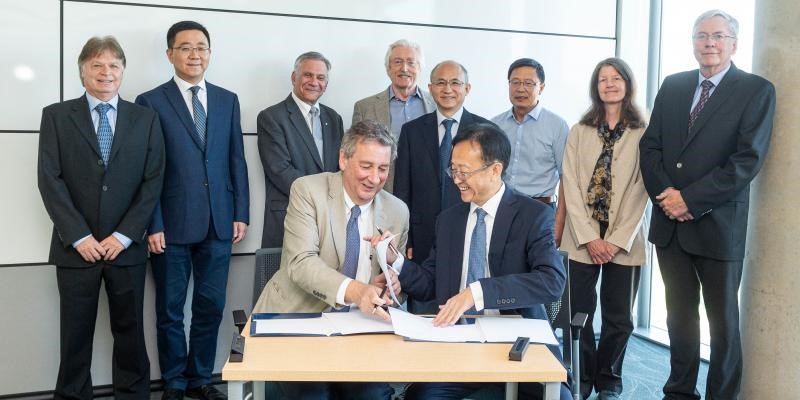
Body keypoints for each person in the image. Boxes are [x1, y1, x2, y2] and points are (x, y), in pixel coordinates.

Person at [378, 122, 571, 400]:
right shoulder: (449, 221)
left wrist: (476, 293)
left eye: (464, 172)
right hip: (459, 345)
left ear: (495, 170)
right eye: (453, 170)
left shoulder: (533, 215)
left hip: (518, 345)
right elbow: (430, 283)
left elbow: (551, 281)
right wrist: (396, 261)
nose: (456, 179)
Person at [639, 10, 775, 400]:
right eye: (701, 36)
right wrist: (668, 197)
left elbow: (746, 161)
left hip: (719, 226)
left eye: (718, 36)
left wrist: (690, 200)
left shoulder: (756, 90)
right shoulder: (674, 85)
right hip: (671, 227)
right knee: (679, 318)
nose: (709, 43)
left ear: (734, 43)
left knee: (723, 324)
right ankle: (679, 392)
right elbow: (650, 148)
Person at [38, 35, 164, 399]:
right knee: (74, 335)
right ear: (82, 72)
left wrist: (124, 235)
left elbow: (153, 180)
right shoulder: (56, 116)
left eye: (113, 65)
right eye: (97, 65)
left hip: (126, 248)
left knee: (130, 332)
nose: (106, 72)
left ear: (123, 71)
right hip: (76, 249)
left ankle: (133, 394)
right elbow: (49, 179)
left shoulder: (146, 119)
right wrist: (79, 236)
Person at [253, 120, 409, 400]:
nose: (375, 178)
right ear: (343, 159)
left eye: (383, 169)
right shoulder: (308, 191)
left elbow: (394, 285)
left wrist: (392, 285)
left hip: (360, 331)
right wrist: (358, 291)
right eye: (366, 166)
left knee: (373, 396)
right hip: (297, 320)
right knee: (313, 395)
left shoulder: (398, 211)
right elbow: (301, 263)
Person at [135, 20, 250, 400]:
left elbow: (236, 159)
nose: (194, 54)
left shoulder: (227, 100)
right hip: (170, 226)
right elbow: (148, 169)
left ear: (209, 53)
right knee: (170, 311)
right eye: (185, 47)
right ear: (170, 54)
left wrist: (241, 212)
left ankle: (201, 379)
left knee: (210, 306)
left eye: (201, 47)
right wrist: (153, 223)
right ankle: (174, 382)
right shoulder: (150, 101)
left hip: (219, 221)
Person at [558, 58, 648, 400]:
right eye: (603, 79)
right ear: (595, 87)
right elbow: (570, 183)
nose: (610, 84)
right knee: (577, 314)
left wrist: (615, 240)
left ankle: (609, 380)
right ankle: (581, 379)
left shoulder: (645, 130)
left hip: (626, 239)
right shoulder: (580, 130)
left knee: (619, 317)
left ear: (628, 83)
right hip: (581, 236)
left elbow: (642, 188)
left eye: (616, 78)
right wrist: (589, 237)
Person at [393, 61, 491, 308]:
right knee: (423, 302)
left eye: (455, 83)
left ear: (467, 88)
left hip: (468, 228)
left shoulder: (485, 130)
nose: (448, 89)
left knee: (466, 298)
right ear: (430, 88)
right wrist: (406, 237)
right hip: (422, 235)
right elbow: (402, 188)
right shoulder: (411, 131)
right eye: (440, 83)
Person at [258, 51, 344, 248]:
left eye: (320, 77)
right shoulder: (271, 117)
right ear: (294, 77)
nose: (314, 82)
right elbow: (280, 170)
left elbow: (341, 167)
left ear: (326, 84)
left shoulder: (334, 118)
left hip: (331, 220)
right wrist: (322, 197)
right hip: (290, 215)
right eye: (308, 75)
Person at [351, 39, 436, 192]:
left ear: (420, 68)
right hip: (382, 191)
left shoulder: (437, 105)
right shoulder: (364, 108)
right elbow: (356, 155)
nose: (404, 68)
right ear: (388, 68)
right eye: (398, 62)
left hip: (427, 192)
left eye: (411, 62)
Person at [491, 58, 569, 207]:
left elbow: (566, 176)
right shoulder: (495, 125)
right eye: (515, 82)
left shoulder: (557, 125)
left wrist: (560, 216)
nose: (521, 89)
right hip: (500, 206)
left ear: (541, 88)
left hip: (541, 207)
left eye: (528, 83)